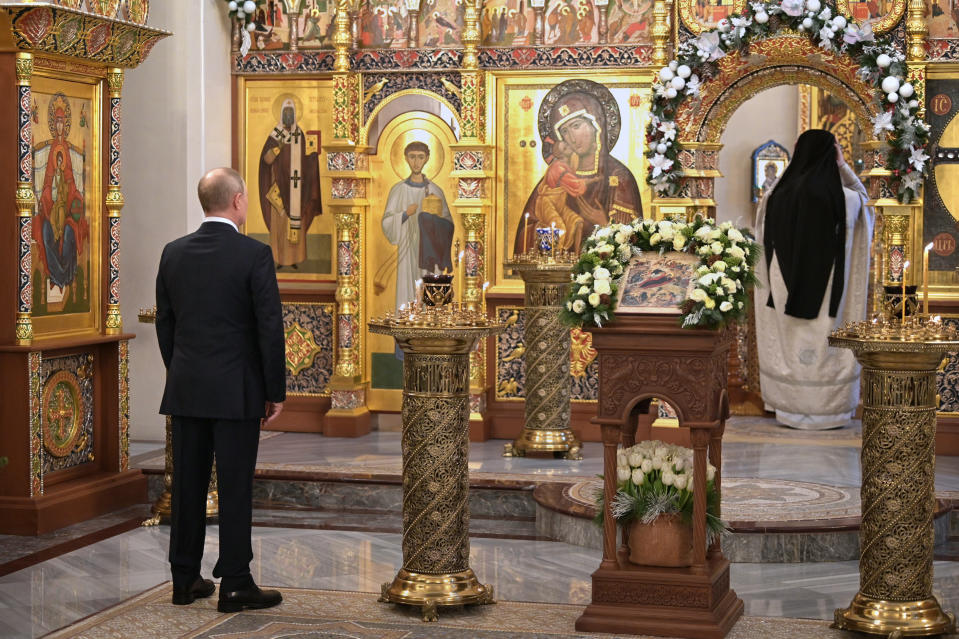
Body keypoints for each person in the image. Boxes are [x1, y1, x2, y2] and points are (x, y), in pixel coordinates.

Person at [156, 168, 286, 611]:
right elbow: (269, 328)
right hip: (238, 393)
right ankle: (234, 582)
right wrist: (275, 390)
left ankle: (183, 580)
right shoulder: (254, 254)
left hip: (188, 389)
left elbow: (165, 323)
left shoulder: (173, 253)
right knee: (233, 487)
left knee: (188, 485)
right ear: (237, 201)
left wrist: (182, 371)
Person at [755, 130, 874, 430]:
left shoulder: (775, 197)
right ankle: (828, 408)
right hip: (830, 293)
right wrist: (843, 166)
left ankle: (791, 407)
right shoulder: (846, 200)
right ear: (832, 153)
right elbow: (866, 202)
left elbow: (760, 236)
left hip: (784, 289)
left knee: (791, 337)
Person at [514, 90, 642, 255]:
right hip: (557, 273)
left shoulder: (618, 177)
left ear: (597, 126)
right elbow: (528, 228)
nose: (572, 138)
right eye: (565, 132)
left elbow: (635, 244)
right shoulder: (557, 178)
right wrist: (545, 230)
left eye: (576, 126)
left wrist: (604, 224)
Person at [380, 141, 454, 314]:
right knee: (408, 294)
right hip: (407, 254)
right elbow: (387, 222)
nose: (416, 162)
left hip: (430, 255)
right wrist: (405, 214)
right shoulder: (398, 190)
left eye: (420, 157)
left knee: (430, 296)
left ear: (427, 159)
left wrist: (434, 219)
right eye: (412, 157)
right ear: (406, 158)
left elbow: (449, 224)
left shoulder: (435, 190)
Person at [258, 98, 322, 269]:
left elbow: (304, 161)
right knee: (279, 225)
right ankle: (279, 258)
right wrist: (277, 148)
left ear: (294, 115)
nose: (288, 116)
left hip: (296, 188)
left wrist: (313, 158)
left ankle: (294, 258)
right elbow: (266, 160)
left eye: (290, 113)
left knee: (295, 221)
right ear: (281, 115)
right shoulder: (275, 135)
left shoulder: (299, 134)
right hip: (278, 188)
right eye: (285, 113)